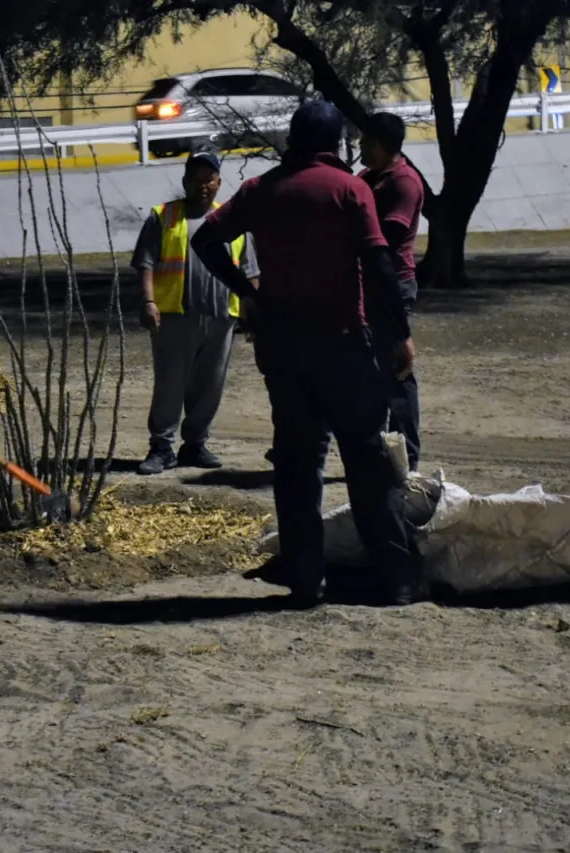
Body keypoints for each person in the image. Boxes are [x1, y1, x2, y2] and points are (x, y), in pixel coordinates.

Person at [190, 101, 425, 607]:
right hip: (344, 347)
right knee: (367, 465)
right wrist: (400, 333)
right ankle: (397, 578)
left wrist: (245, 292)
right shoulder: (349, 188)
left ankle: (304, 580)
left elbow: (205, 240)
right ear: (335, 141)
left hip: (285, 351)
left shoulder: (261, 190)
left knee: (298, 469)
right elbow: (379, 262)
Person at [131, 150, 260, 476]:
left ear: (218, 182)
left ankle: (195, 444)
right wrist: (149, 302)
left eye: (209, 179)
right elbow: (145, 263)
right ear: (185, 181)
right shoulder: (163, 217)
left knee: (210, 385)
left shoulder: (232, 221)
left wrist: (253, 314)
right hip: (174, 316)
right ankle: (162, 447)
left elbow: (250, 272)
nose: (203, 185)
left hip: (220, 318)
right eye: (196, 179)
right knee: (170, 384)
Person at [359, 111, 425, 472]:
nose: (360, 146)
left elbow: (385, 243)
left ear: (383, 145)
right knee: (372, 373)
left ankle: (406, 459)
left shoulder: (403, 183)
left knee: (397, 373)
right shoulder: (370, 178)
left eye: (366, 141)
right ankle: (382, 452)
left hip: (392, 285)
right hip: (367, 285)